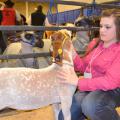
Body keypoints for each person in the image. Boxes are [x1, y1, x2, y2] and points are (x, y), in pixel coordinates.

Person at [58, 9, 120, 120]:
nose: (102, 30)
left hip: (113, 89)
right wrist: (72, 54)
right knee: (65, 115)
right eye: (101, 26)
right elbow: (84, 67)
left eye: (107, 27)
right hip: (91, 85)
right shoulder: (95, 43)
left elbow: (110, 82)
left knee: (90, 105)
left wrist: (78, 82)